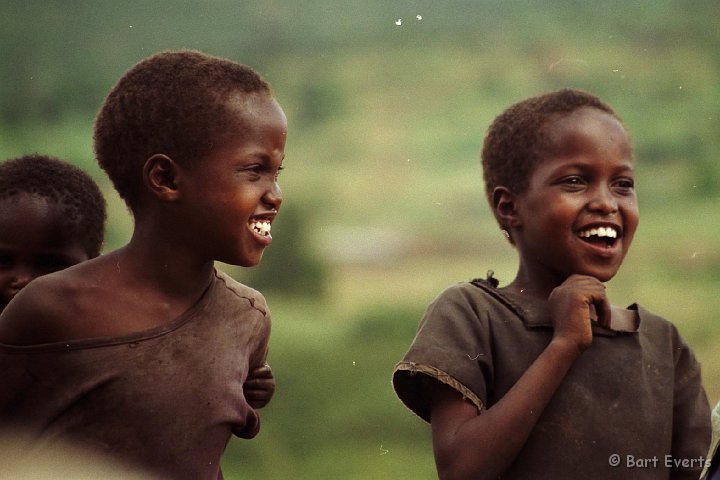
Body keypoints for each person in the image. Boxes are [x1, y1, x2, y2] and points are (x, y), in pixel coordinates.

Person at [392, 88, 711, 479]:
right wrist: (563, 346)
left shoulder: (665, 347)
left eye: (623, 184)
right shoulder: (472, 314)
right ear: (509, 207)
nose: (607, 203)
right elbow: (461, 469)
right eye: (576, 181)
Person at [0, 50, 285, 480]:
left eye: (277, 171)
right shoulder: (51, 308)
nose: (275, 193)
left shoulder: (247, 317)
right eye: (254, 170)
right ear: (166, 180)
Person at [0, 154, 106, 313]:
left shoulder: (112, 333)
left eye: (50, 264)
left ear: (94, 268)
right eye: (3, 261)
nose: (24, 282)